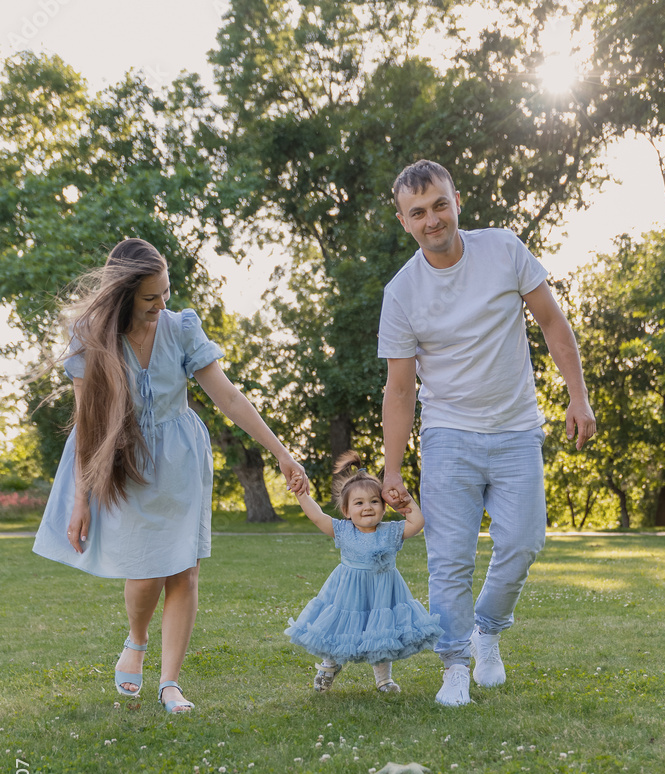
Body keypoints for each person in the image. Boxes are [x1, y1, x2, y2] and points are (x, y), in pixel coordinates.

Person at [33, 238, 307, 712]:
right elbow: (88, 424)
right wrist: (80, 499)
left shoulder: (181, 327)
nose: (162, 304)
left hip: (181, 461)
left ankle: (170, 682)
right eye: (150, 297)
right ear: (123, 298)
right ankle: (136, 639)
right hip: (128, 463)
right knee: (144, 573)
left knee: (184, 569)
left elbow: (230, 398)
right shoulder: (91, 338)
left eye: (165, 292)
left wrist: (281, 451)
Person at [378, 159, 596, 707]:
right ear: (403, 221)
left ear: (457, 202)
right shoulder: (401, 293)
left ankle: (488, 630)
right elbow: (400, 390)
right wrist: (392, 468)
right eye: (418, 212)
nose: (433, 220)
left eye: (440, 205)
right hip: (449, 434)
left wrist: (578, 395)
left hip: (517, 426)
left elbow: (552, 321)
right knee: (449, 557)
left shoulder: (503, 249)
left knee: (523, 542)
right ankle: (454, 665)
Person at [284, 451, 442, 693]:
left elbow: (417, 523)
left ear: (384, 507)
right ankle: (329, 666)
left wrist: (406, 501)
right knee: (338, 629)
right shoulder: (344, 530)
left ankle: (383, 679)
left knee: (381, 632)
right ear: (346, 511)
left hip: (383, 592)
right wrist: (301, 494)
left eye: (374, 501)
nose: (367, 507)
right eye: (359, 503)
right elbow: (317, 517)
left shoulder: (391, 531)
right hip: (348, 592)